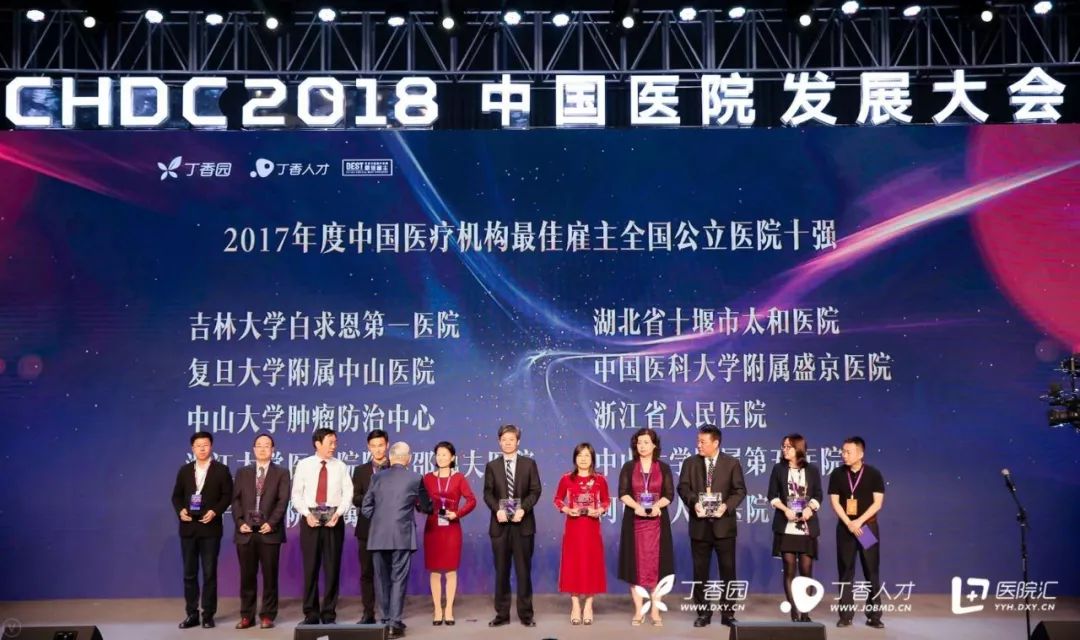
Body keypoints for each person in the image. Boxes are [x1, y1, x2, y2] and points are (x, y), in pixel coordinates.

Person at [677, 424, 747, 628]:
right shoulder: (690, 463)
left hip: (724, 526)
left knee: (728, 572)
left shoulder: (731, 463)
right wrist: (694, 503)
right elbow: (683, 488)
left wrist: (725, 506)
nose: (698, 445)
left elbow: (740, 491)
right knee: (700, 573)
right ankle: (703, 613)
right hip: (700, 526)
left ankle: (728, 614)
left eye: (703, 442)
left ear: (716, 443)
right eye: (698, 441)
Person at [361, 442, 432, 639]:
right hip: (402, 534)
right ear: (408, 458)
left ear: (391, 457)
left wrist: (380, 519)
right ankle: (394, 623)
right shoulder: (415, 478)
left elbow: (366, 507)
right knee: (398, 579)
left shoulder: (376, 477)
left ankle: (384, 621)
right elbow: (426, 507)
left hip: (378, 536)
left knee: (381, 579)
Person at [171, 431, 233, 630]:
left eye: (205, 445)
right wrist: (180, 510)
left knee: (209, 574)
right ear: (193, 448)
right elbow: (176, 496)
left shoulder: (221, 470)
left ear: (211, 446)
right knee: (189, 574)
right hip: (188, 528)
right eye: (198, 446)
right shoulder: (184, 470)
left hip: (210, 528)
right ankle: (192, 614)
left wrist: (215, 511)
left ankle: (208, 614)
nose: (202, 448)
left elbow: (228, 495)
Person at [482, 424, 542, 627]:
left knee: (523, 572)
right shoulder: (492, 466)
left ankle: (526, 615)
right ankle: (502, 615)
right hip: (499, 526)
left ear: (518, 441)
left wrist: (523, 509)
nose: (507, 443)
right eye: (504, 439)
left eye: (511, 439)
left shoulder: (529, 464)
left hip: (523, 525)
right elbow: (487, 493)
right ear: (499, 442)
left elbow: (535, 491)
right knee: (501, 572)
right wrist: (496, 509)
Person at [291, 428, 353, 625]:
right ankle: (311, 613)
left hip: (334, 520)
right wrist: (306, 514)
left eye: (335, 442)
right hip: (310, 520)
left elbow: (348, 493)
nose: (333, 446)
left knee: (332, 568)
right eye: (330, 442)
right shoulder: (304, 465)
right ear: (317, 444)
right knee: (310, 568)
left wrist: (339, 513)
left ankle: (328, 613)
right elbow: (296, 494)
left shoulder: (340, 466)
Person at [231, 434, 290, 630]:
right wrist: (240, 522)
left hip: (269, 532)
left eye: (267, 445)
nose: (263, 449)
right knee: (247, 576)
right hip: (246, 532)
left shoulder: (281, 473)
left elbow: (282, 501)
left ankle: (267, 615)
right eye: (259, 445)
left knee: (270, 576)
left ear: (273, 450)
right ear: (254, 449)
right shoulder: (243, 472)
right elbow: (235, 500)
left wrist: (271, 523)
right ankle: (247, 616)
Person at [617, 428, 675, 626]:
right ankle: (638, 611)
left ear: (654, 445)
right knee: (635, 568)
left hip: (658, 523)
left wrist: (657, 506)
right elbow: (623, 492)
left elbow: (669, 494)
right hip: (635, 523)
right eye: (639, 443)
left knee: (659, 568)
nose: (642, 446)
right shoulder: (628, 467)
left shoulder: (664, 468)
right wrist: (637, 507)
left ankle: (655, 612)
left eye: (646, 442)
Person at [828, 436, 886, 630]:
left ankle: (874, 615)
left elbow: (877, 503)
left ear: (860, 454)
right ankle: (845, 615)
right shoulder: (837, 474)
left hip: (866, 528)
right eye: (843, 451)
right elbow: (835, 502)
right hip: (846, 529)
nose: (844, 455)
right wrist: (849, 523)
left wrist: (859, 522)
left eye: (848, 452)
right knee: (845, 571)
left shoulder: (873, 474)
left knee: (871, 571)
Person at [767, 433, 823, 623]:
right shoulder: (778, 469)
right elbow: (772, 495)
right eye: (783, 446)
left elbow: (818, 495)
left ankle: (805, 612)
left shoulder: (812, 470)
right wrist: (785, 510)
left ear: (798, 449)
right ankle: (794, 612)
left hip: (806, 526)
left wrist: (810, 508)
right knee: (789, 569)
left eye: (788, 446)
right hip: (786, 526)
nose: (784, 449)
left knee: (806, 571)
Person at [554, 443, 610, 626]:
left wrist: (599, 510)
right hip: (573, 527)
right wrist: (567, 509)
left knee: (591, 565)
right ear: (575, 458)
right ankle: (576, 606)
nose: (583, 459)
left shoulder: (600, 480)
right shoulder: (566, 479)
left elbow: (606, 501)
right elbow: (557, 499)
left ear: (592, 458)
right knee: (573, 565)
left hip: (592, 528)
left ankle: (589, 606)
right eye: (580, 455)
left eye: (587, 455)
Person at [422, 441, 477, 626]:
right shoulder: (427, 478)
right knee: (435, 571)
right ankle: (438, 609)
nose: (440, 458)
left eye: (444, 454)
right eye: (438, 454)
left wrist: (457, 513)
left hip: (452, 528)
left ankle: (449, 609)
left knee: (451, 570)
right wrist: (422, 507)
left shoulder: (459, 478)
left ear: (452, 457)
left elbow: (471, 500)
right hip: (433, 528)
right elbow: (419, 500)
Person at [351, 429, 390, 624]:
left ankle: (388, 613)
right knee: (367, 573)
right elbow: (355, 498)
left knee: (387, 573)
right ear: (368, 447)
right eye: (373, 446)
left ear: (387, 445)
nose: (378, 449)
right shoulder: (360, 470)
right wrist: (372, 498)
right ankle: (368, 613)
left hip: (390, 530)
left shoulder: (395, 468)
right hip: (366, 529)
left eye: (381, 445)